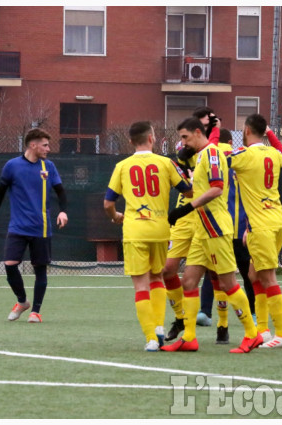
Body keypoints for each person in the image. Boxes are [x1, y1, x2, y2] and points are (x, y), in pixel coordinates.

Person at [161, 118, 261, 353]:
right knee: (188, 281)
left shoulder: (212, 154)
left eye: (185, 137)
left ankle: (252, 334)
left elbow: (216, 188)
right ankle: (189, 337)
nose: (183, 142)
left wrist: (186, 207)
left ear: (197, 132)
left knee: (227, 283)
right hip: (201, 230)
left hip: (215, 228)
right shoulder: (201, 156)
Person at [104, 121, 192, 351]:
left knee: (141, 286)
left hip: (135, 231)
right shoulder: (166, 163)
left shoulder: (122, 166)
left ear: (131, 141)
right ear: (152, 139)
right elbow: (188, 191)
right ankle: (160, 327)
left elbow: (108, 203)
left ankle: (151, 338)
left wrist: (115, 216)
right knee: (157, 279)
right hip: (160, 231)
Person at [0, 128, 68, 323]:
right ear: (33, 145)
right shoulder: (12, 166)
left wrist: (63, 211)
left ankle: (36, 312)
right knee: (10, 264)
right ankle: (22, 302)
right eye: (45, 145)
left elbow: (61, 192)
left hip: (42, 227)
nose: (49, 148)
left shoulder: (49, 167)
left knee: (40, 269)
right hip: (18, 228)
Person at [228, 114, 282, 348]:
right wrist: (271, 134)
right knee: (254, 275)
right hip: (276, 220)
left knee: (267, 277)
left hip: (261, 226)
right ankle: (263, 330)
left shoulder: (243, 156)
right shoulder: (274, 154)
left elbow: (218, 160)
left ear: (246, 130)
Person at [163, 107, 221, 342]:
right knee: (167, 270)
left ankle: (225, 324)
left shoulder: (213, 152)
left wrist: (215, 127)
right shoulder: (185, 149)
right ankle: (181, 319)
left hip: (207, 217)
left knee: (218, 275)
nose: (183, 140)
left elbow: (213, 147)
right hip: (184, 218)